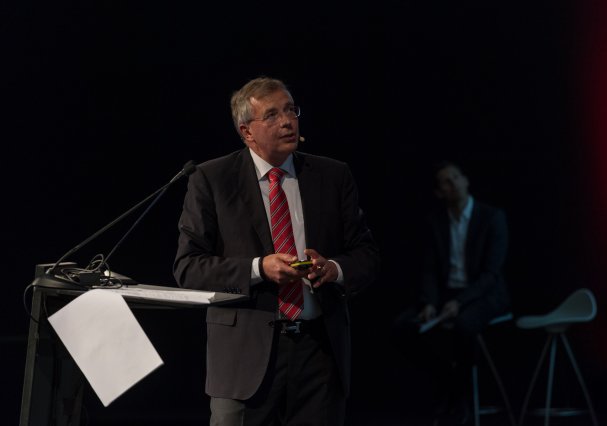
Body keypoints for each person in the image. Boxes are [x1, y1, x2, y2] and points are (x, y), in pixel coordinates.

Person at [173, 76, 380, 426]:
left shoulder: (332, 175)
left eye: (290, 110)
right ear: (246, 132)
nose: (287, 121)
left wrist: (333, 268)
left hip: (319, 356)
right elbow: (188, 267)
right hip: (244, 358)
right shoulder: (212, 179)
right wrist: (259, 268)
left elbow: (366, 254)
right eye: (271, 115)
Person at [392, 160, 510, 425]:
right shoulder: (436, 221)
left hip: (483, 295)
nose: (453, 184)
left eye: (455, 177)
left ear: (466, 180)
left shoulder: (492, 217)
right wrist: (430, 303)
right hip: (447, 293)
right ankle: (447, 379)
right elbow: (429, 269)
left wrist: (459, 302)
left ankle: (460, 398)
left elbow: (491, 274)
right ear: (439, 192)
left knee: (463, 326)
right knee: (402, 328)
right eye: (446, 182)